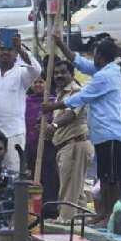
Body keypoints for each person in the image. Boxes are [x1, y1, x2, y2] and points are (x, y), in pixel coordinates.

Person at [44, 35, 121, 224]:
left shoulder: (106, 76)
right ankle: (103, 213)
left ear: (101, 56)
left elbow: (81, 97)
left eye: (95, 55)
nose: (93, 59)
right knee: (104, 176)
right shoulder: (103, 70)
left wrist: (53, 108)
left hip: (111, 133)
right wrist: (61, 44)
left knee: (111, 179)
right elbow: (80, 63)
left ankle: (109, 214)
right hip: (102, 135)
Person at [0, 34, 42, 172]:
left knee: (13, 173)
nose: (5, 52)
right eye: (2, 49)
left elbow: (36, 69)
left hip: (12, 132)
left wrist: (20, 47)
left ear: (16, 53)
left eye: (10, 49)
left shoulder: (22, 73)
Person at [46, 58, 93, 223]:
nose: (59, 76)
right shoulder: (59, 94)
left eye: (63, 72)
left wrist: (54, 125)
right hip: (64, 146)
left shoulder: (76, 92)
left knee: (69, 187)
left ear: (71, 74)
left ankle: (65, 221)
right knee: (75, 188)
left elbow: (71, 114)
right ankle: (82, 220)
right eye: (56, 73)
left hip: (75, 144)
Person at [24, 74, 59, 216]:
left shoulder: (52, 102)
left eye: (41, 82)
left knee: (48, 176)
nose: (38, 85)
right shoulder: (26, 101)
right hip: (30, 144)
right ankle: (33, 210)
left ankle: (49, 208)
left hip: (47, 146)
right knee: (32, 176)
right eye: (35, 82)